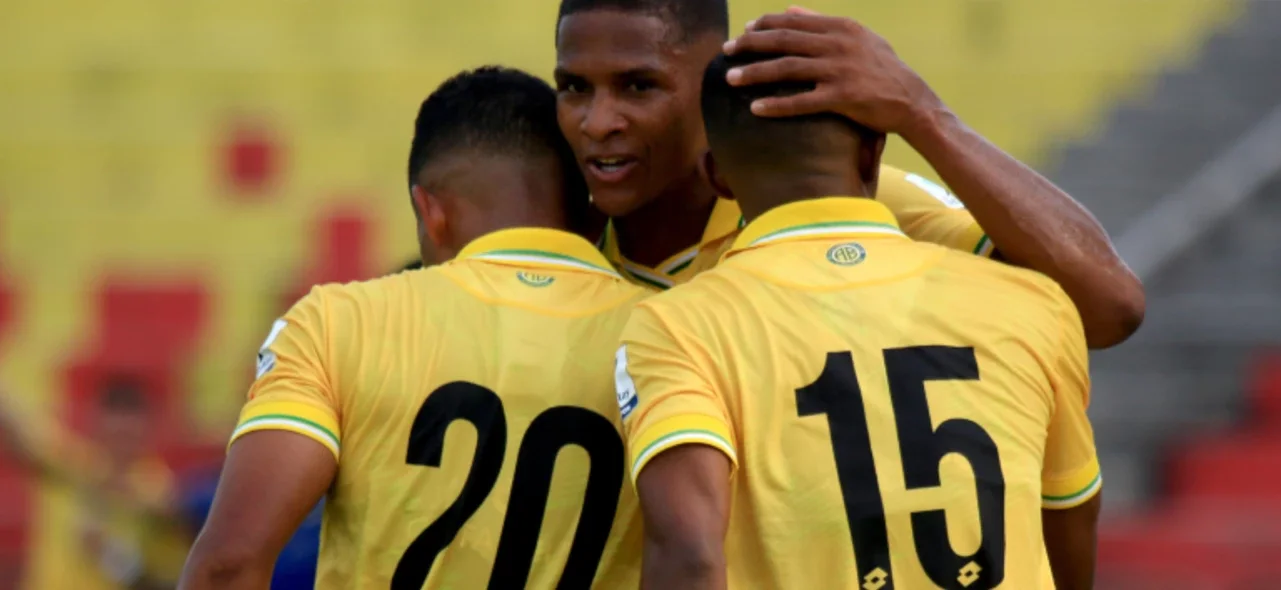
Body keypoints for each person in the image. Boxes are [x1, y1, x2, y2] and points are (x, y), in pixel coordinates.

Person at [615, 51, 1102, 590]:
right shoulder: (1033, 301)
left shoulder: (677, 324)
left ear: (716, 178)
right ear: (873, 156)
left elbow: (691, 555)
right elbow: (1068, 516)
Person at [179, 66, 648, 589]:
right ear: (588, 215)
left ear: (430, 211)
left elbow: (229, 565)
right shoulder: (674, 329)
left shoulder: (337, 322)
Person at [553, 0, 1144, 349]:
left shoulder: (846, 206)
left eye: (639, 86)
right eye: (574, 88)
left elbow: (1110, 307)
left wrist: (922, 113)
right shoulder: (542, 236)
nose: (598, 122)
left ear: (714, 86)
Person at [0, 378, 187, 590]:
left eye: (128, 436)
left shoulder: (160, 491)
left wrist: (112, 557)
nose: (121, 444)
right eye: (116, 434)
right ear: (96, 425)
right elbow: (18, 432)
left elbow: (169, 575)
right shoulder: (76, 463)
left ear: (148, 430)